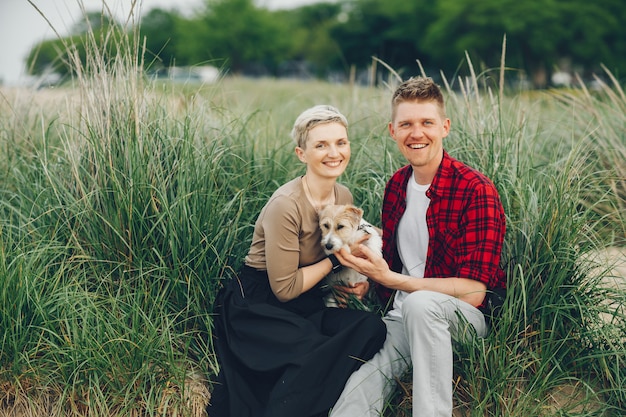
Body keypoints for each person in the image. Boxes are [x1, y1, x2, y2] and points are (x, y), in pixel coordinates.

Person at [330, 77, 507, 417]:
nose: (417, 133)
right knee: (358, 392)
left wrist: (397, 282)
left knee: (421, 305)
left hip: (463, 320)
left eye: (427, 123)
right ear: (392, 130)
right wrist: (369, 280)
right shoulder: (397, 184)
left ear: (445, 127)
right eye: (406, 124)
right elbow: (399, 262)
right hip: (403, 315)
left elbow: (473, 292)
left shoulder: (476, 190)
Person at [207, 105, 387, 417]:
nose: (334, 153)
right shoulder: (286, 205)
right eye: (321, 145)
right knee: (312, 349)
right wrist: (335, 262)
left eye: (341, 142)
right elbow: (285, 289)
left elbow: (352, 250)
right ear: (301, 153)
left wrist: (356, 284)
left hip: (309, 302)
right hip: (260, 306)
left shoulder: (342, 196)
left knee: (372, 328)